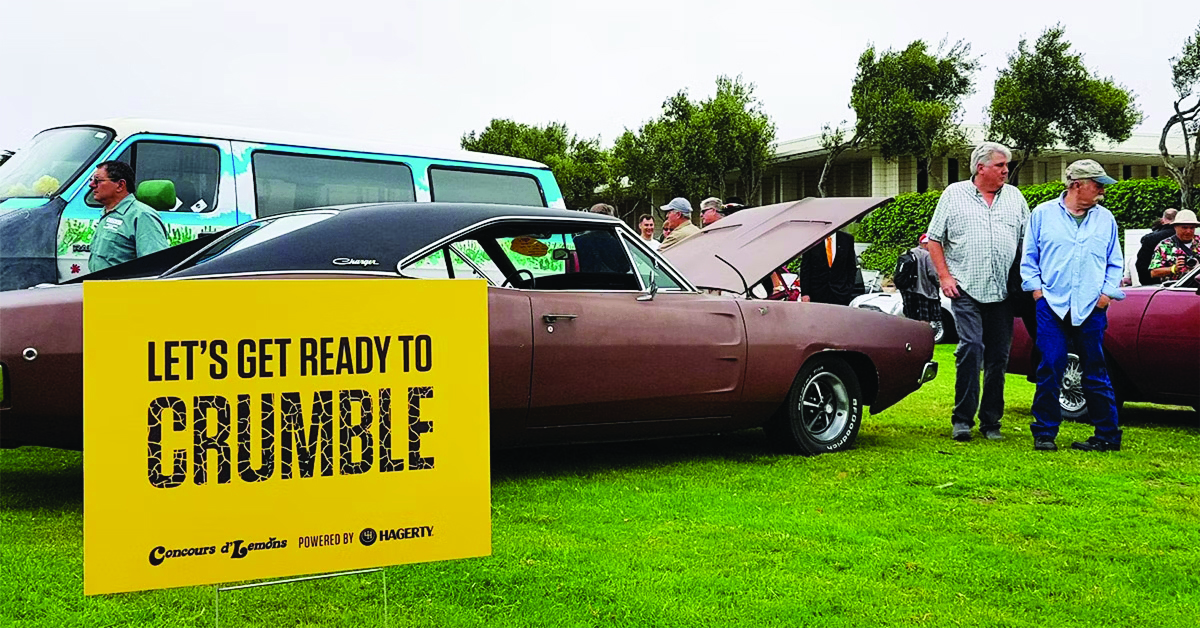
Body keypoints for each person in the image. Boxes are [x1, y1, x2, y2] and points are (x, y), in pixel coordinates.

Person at [926, 142, 1029, 442]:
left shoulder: (1015, 198)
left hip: (1005, 291)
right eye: (1000, 166)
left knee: (999, 357)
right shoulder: (953, 195)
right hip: (965, 288)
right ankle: (962, 419)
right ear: (980, 167)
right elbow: (934, 239)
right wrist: (945, 277)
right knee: (971, 349)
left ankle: (991, 421)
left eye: (1006, 166)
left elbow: (1028, 241)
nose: (1006, 171)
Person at [1021, 159, 1125, 452]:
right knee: (1050, 365)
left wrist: (1106, 295)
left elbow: (1115, 261)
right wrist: (1037, 292)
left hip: (1092, 307)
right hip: (1051, 305)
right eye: (1097, 184)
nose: (1102, 191)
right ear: (1077, 185)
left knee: (1096, 369)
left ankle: (1106, 435)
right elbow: (1029, 258)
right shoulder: (1042, 214)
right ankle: (1044, 433)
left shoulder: (1106, 219)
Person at [87, 161, 169, 272]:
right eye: (91, 180)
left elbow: (155, 266)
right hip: (98, 288)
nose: (91, 185)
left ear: (120, 185)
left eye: (98, 180)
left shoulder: (142, 216)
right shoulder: (107, 213)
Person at [798, 229, 858, 305]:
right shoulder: (813, 240)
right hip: (817, 294)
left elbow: (851, 267)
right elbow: (805, 268)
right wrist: (805, 293)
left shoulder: (847, 239)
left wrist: (849, 288)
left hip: (841, 293)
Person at [900, 234, 942, 326]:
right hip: (924, 292)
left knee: (911, 317)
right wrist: (940, 283)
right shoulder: (927, 255)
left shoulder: (908, 252)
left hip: (908, 290)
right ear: (926, 244)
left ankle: (912, 337)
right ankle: (923, 338)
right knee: (924, 318)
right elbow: (932, 274)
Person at [1147, 209, 1199, 283]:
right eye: (1184, 227)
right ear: (1175, 227)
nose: (1188, 231)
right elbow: (1153, 273)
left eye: (1192, 228)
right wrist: (1173, 269)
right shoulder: (1165, 246)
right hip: (1175, 290)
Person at [1136, 209, 1177, 285]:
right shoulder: (1192, 239)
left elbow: (1141, 265)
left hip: (1156, 284)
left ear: (1162, 220)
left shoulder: (1150, 238)